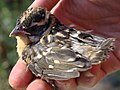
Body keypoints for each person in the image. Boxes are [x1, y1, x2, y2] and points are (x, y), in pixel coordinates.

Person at [9, 0, 120, 90]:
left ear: (45, 27)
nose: (16, 33)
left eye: (33, 29)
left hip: (82, 55)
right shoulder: (60, 30)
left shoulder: (31, 52)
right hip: (94, 44)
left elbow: (61, 67)